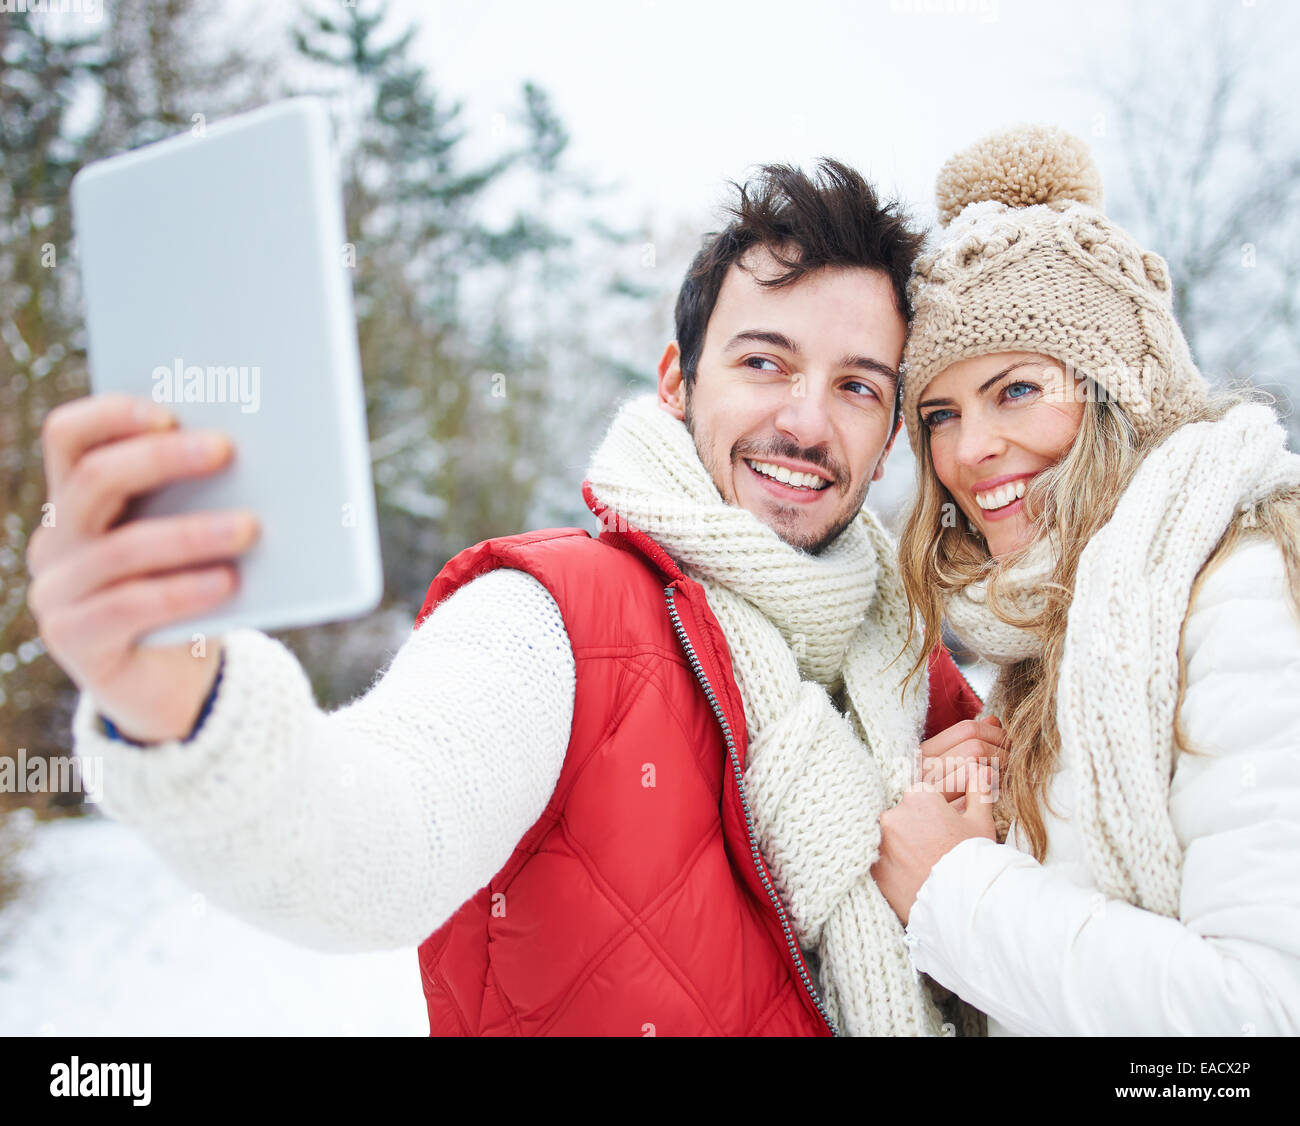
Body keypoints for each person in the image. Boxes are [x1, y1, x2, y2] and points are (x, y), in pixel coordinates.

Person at [29, 158, 994, 1037]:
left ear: (891, 437)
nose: (804, 419)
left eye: (858, 386)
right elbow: (376, 841)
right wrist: (179, 705)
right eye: (763, 362)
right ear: (676, 384)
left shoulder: (912, 668)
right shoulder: (552, 618)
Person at [870, 123, 1300, 1035]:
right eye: (940, 412)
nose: (971, 448)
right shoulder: (1031, 641)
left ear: (1120, 392)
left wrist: (954, 890)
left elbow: (1259, 1018)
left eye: (1017, 390)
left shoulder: (1244, 594)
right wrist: (989, 824)